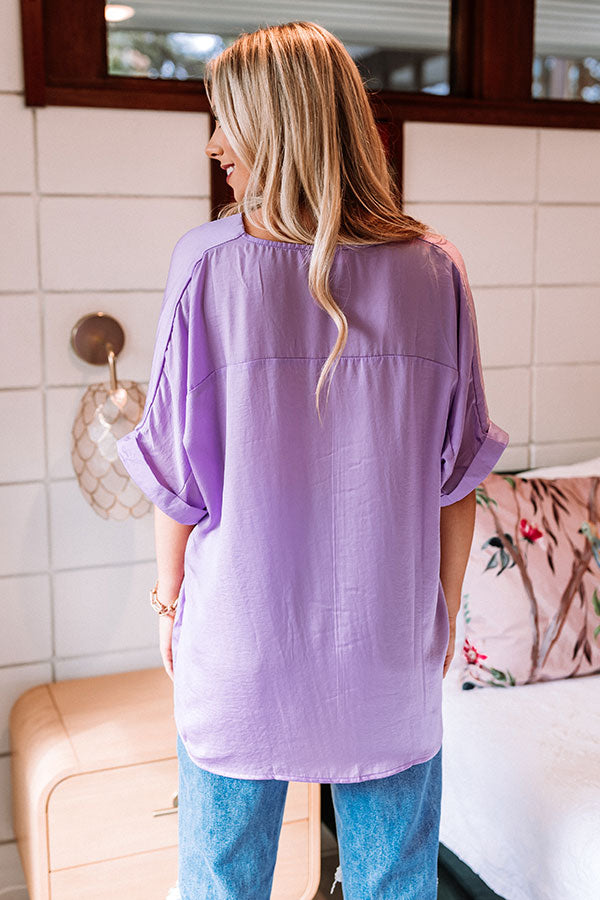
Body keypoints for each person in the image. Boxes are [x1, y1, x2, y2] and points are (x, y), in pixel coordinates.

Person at [116, 19, 510, 900]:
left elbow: (176, 481)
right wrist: (439, 614)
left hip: (238, 643)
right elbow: (458, 478)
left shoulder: (206, 265)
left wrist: (168, 604)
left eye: (228, 122)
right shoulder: (435, 270)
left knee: (222, 883)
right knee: (395, 882)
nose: (215, 145)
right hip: (385, 648)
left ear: (282, 126)